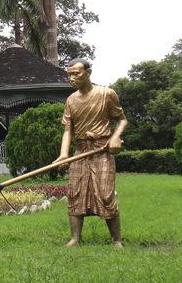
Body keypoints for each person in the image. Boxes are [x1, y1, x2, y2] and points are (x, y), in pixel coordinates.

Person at [54, 58, 127, 247]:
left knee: (105, 193)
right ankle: (75, 238)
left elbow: (122, 120)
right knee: (75, 194)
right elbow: (68, 130)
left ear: (88, 73)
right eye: (69, 74)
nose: (71, 78)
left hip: (101, 151)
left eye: (76, 74)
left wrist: (115, 138)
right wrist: (64, 155)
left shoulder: (106, 94)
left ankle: (117, 240)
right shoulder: (71, 100)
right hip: (81, 152)